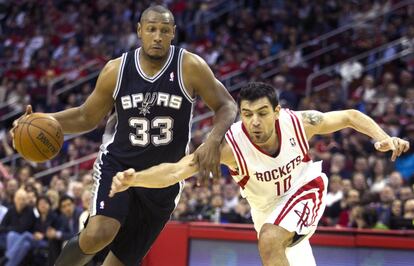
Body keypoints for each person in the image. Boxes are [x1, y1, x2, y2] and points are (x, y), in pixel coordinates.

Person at [10, 5, 236, 266]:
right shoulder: (116, 70)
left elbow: (227, 105)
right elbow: (87, 116)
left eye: (164, 30)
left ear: (173, 32)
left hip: (164, 178)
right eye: (151, 29)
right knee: (99, 233)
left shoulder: (190, 66)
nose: (158, 36)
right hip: (118, 166)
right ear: (140, 31)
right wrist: (43, 120)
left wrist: (213, 140)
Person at [109, 82, 410, 266]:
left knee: (269, 238)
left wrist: (382, 136)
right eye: (248, 114)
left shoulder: (299, 122)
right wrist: (135, 178)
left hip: (305, 187)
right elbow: (176, 170)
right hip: (265, 210)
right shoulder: (228, 147)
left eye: (263, 113)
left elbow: (349, 116)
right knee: (274, 241)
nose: (255, 122)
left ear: (277, 111)